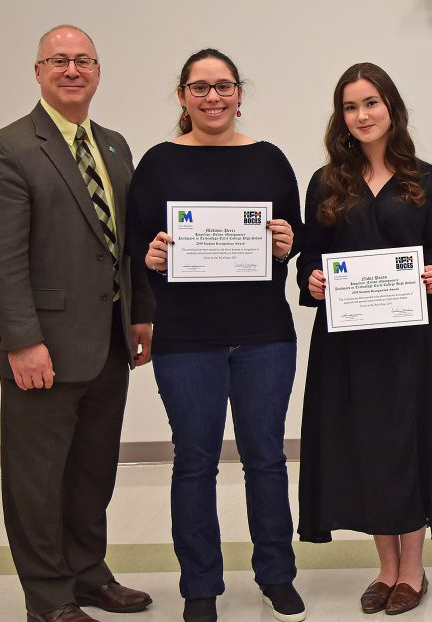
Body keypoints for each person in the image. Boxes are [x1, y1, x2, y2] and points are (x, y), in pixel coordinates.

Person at [0, 25, 154, 622]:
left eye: (83, 60)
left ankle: (87, 573)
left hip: (109, 342)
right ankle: (48, 596)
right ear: (38, 70)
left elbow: (124, 244)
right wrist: (22, 341)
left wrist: (141, 315)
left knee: (92, 470)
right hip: (43, 348)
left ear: (98, 72)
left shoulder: (114, 145)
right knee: (36, 480)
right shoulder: (9, 147)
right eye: (59, 60)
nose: (72, 69)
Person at [125, 49, 304, 622]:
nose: (213, 97)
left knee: (266, 460)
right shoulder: (157, 162)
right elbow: (139, 246)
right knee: (195, 463)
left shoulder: (270, 159)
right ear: (182, 97)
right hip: (186, 340)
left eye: (222, 86)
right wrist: (152, 254)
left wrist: (286, 242)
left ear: (238, 93)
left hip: (264, 337)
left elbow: (292, 236)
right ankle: (199, 586)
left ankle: (276, 574)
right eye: (199, 88)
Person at [296, 62, 432, 616]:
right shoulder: (326, 183)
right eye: (351, 106)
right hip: (346, 343)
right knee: (363, 444)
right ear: (340, 117)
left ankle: (412, 572)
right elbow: (311, 259)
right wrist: (313, 280)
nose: (362, 115)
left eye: (371, 103)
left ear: (391, 108)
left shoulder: (428, 180)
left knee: (407, 443)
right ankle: (385, 569)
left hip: (408, 343)